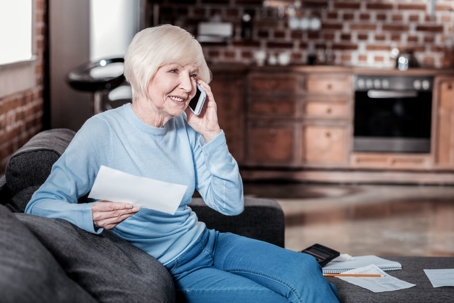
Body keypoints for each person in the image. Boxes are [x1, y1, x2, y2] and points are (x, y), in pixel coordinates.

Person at [25, 24, 339, 303]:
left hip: (208, 242)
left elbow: (229, 205)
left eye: (192, 74)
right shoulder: (101, 131)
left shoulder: (186, 129)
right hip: (172, 268)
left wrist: (212, 134)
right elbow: (39, 205)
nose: (187, 87)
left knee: (306, 268)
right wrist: (89, 214)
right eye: (173, 71)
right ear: (144, 71)